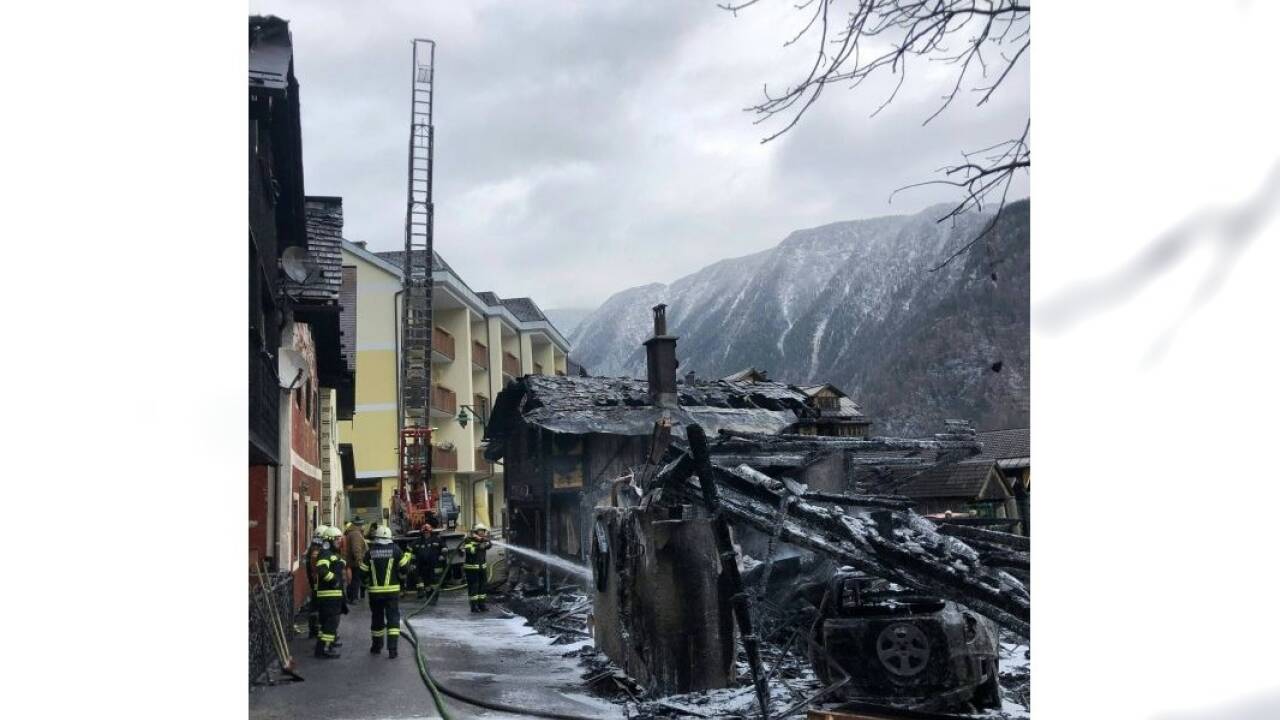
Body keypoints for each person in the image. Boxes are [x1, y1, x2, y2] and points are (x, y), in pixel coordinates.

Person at [360, 525, 412, 658]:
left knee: (377, 618)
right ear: (389, 537)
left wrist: (366, 583)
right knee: (393, 619)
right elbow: (405, 569)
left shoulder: (370, 552)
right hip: (392, 592)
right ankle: (392, 650)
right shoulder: (396, 550)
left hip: (375, 593)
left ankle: (376, 647)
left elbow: (362, 572)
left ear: (376, 537)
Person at [313, 526, 346, 658]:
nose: (339, 542)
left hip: (332, 595)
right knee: (331, 623)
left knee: (327, 624)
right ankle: (324, 650)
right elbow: (321, 569)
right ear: (329, 540)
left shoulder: (331, 554)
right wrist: (334, 581)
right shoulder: (325, 554)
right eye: (337, 540)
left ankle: (321, 648)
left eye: (340, 539)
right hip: (329, 595)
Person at [461, 523, 492, 613]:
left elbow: (489, 545)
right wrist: (478, 546)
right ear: (476, 532)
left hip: (482, 568)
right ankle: (474, 606)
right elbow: (470, 550)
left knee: (482, 587)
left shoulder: (483, 540)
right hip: (471, 569)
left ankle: (482, 605)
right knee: (474, 587)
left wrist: (483, 540)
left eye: (483, 531)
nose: (482, 532)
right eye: (480, 531)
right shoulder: (468, 540)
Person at [412, 523, 447, 601]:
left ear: (430, 532)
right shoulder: (417, 541)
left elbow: (444, 548)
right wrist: (413, 563)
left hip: (435, 565)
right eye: (424, 533)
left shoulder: (437, 539)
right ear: (422, 533)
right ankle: (428, 596)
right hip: (423, 566)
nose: (426, 534)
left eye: (427, 532)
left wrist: (443, 555)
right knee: (426, 583)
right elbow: (412, 553)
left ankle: (434, 597)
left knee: (434, 582)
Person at [305, 527, 325, 639]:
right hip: (318, 583)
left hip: (314, 583)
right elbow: (315, 568)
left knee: (314, 607)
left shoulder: (312, 548)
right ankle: (316, 630)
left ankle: (313, 629)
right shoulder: (317, 550)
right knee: (318, 607)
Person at [343, 518, 368, 603]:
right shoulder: (356, 534)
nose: (364, 526)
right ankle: (353, 598)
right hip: (355, 562)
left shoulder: (352, 532)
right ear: (359, 525)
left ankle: (351, 596)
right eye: (363, 524)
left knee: (352, 579)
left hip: (351, 561)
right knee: (356, 580)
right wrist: (359, 560)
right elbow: (356, 548)